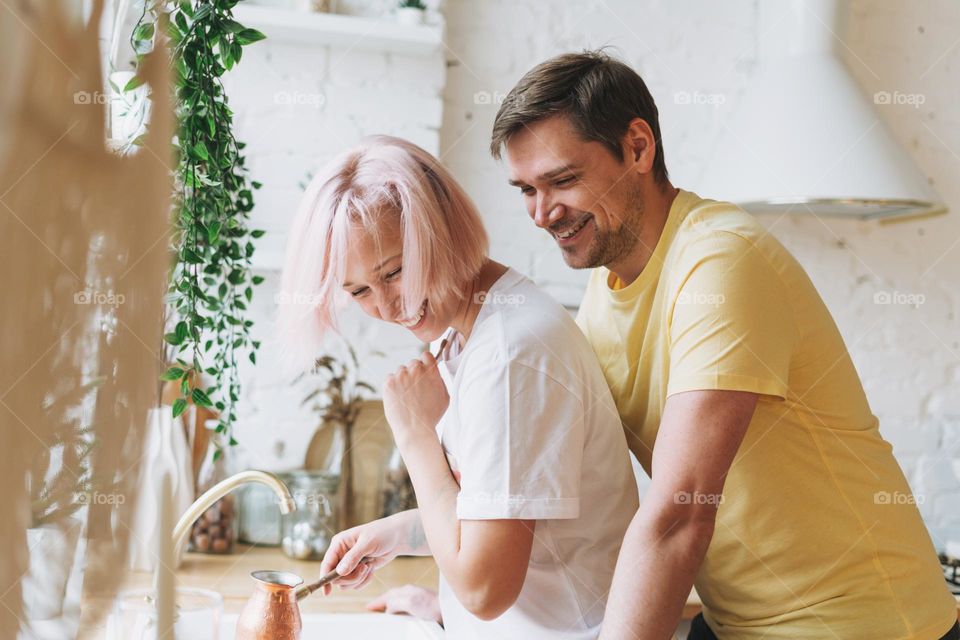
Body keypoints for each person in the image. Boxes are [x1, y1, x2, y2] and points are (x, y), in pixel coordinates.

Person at [489, 50, 959, 640]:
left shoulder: (720, 260)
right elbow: (555, 473)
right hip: (736, 622)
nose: (541, 213)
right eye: (525, 190)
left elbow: (679, 515)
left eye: (563, 180)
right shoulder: (603, 292)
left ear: (638, 147)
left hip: (859, 623)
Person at [278, 134, 639, 639]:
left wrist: (413, 434)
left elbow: (485, 590)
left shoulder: (511, 355)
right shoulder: (473, 332)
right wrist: (400, 537)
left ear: (441, 227)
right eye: (358, 290)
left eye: (396, 270)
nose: (388, 307)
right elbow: (494, 514)